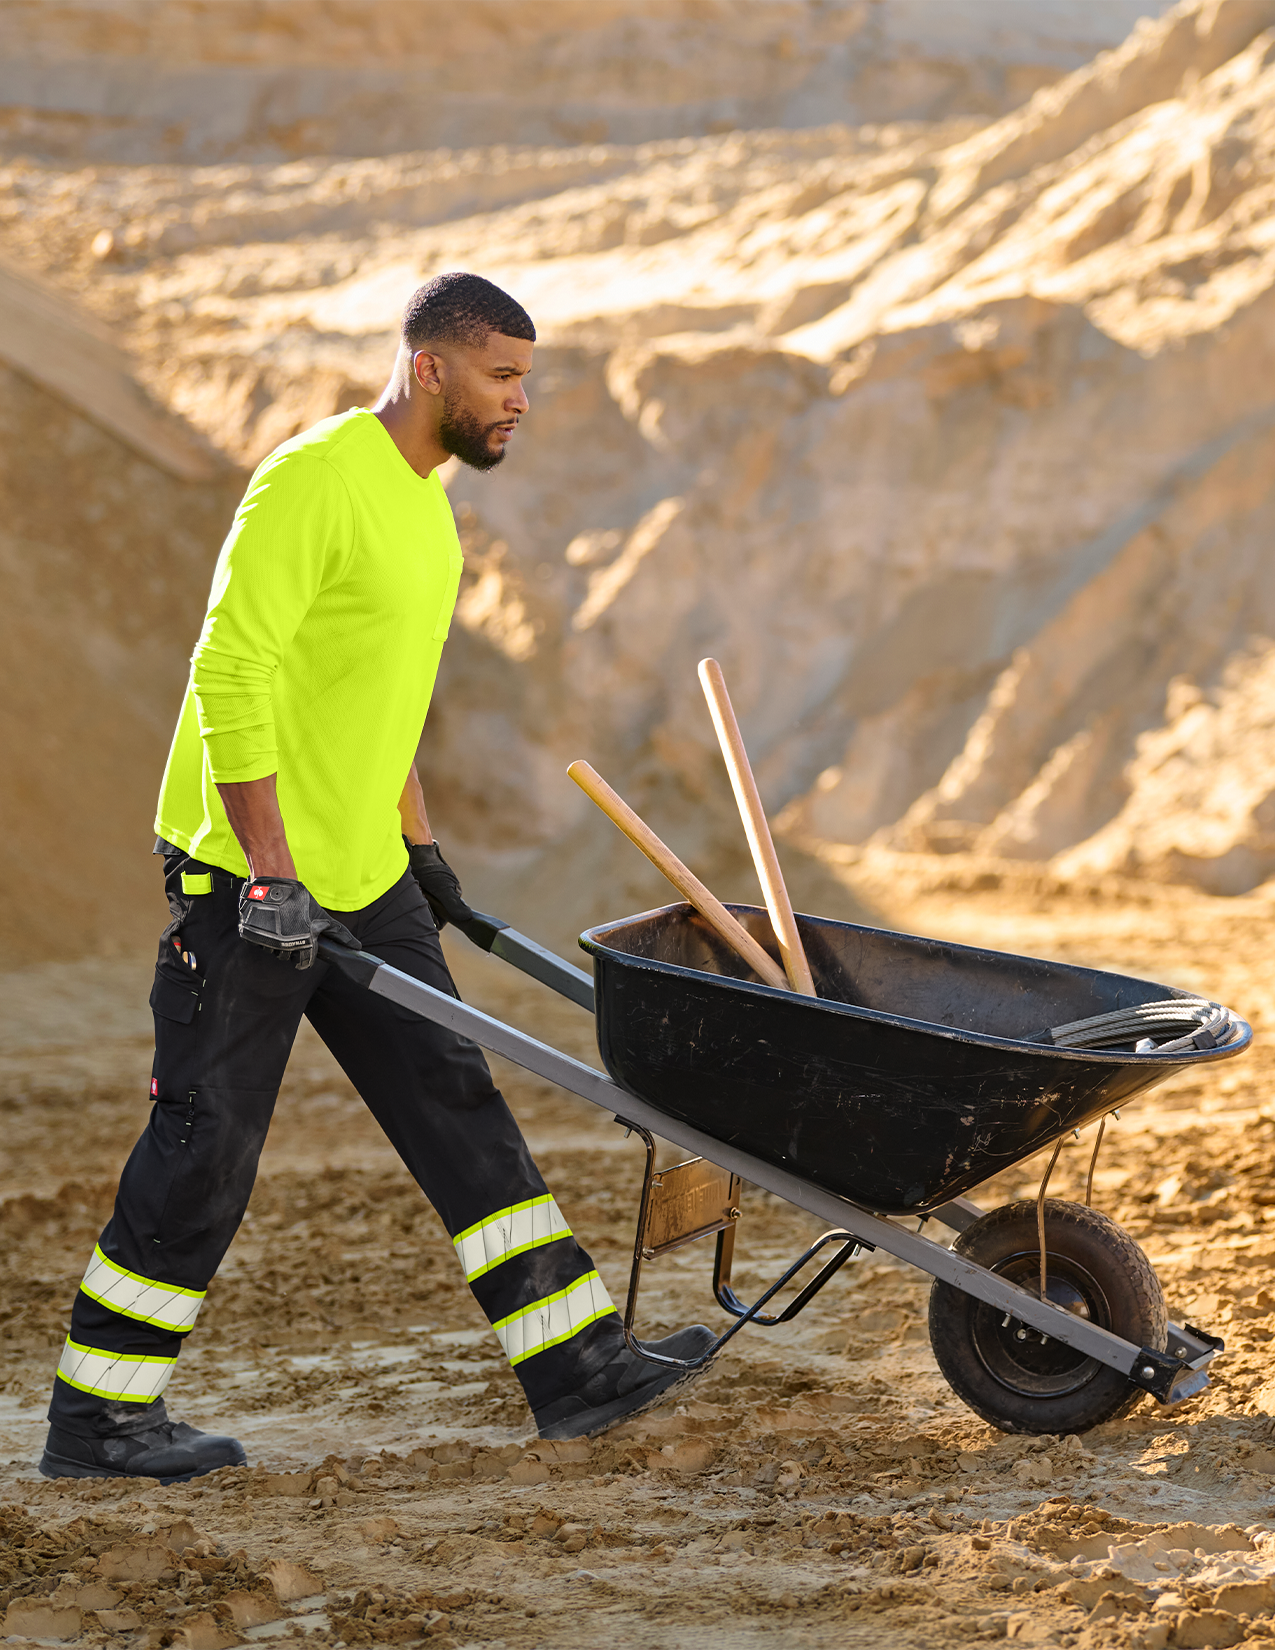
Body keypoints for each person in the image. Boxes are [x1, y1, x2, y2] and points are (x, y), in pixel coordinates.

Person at [40, 271, 713, 1483]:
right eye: (504, 376)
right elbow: (229, 672)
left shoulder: (427, 509)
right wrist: (270, 873)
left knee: (459, 1104)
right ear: (431, 368)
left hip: (362, 877)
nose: (521, 402)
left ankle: (574, 1369)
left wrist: (419, 847)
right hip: (248, 886)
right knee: (205, 1146)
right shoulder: (313, 481)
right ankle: (96, 1423)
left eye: (526, 379)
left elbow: (383, 701)